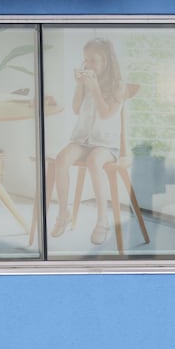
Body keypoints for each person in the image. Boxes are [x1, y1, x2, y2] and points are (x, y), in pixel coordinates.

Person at [47, 37, 124, 246]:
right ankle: (63, 213)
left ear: (106, 62)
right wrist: (80, 86)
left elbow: (107, 114)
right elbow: (75, 108)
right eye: (86, 60)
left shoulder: (118, 86)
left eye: (93, 60)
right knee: (61, 159)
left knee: (94, 162)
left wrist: (95, 88)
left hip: (106, 144)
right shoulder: (87, 80)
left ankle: (102, 221)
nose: (88, 64)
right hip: (83, 139)